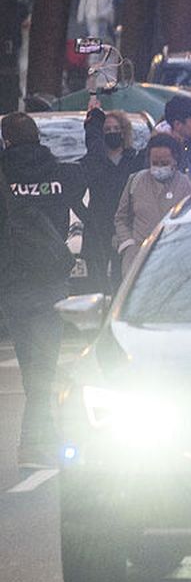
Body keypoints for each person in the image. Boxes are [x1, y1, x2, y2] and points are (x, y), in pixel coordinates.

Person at [1, 112, 83, 468]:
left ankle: (34, 442)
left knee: (30, 363)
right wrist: (94, 126)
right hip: (51, 277)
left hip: (14, 279)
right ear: (37, 137)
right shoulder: (58, 172)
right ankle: (37, 441)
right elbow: (95, 169)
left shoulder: (4, 174)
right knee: (44, 365)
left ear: (6, 140)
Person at [79, 100, 144, 288]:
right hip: (98, 227)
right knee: (95, 281)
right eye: (107, 129)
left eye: (116, 128)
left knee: (123, 280)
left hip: (127, 228)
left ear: (124, 132)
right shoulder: (93, 162)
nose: (112, 133)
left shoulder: (134, 160)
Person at [113, 134, 191, 272]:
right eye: (155, 163)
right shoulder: (135, 181)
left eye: (164, 163)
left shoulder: (187, 186)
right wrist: (128, 243)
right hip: (138, 261)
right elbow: (120, 218)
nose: (159, 167)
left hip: (176, 259)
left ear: (175, 161)